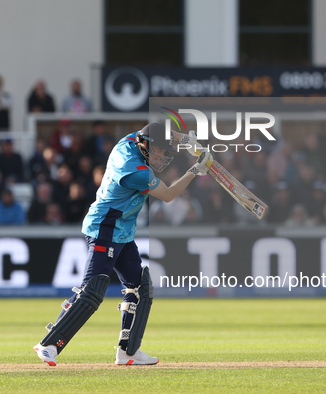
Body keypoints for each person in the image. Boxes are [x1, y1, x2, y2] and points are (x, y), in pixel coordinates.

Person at [33, 123, 212, 366]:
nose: (161, 157)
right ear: (146, 146)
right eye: (159, 151)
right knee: (92, 289)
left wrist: (186, 140)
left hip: (123, 233)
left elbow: (152, 129)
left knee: (139, 288)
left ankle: (128, 352)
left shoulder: (128, 142)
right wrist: (195, 170)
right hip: (104, 229)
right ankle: (49, 344)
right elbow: (168, 195)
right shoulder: (136, 170)